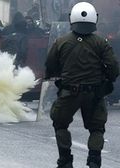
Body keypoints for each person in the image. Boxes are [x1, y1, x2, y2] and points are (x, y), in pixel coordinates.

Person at [45, 2, 119, 168]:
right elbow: (113, 67)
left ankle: (65, 160)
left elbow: (50, 66)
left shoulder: (61, 42)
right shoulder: (101, 43)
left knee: (60, 123)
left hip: (69, 92)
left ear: (72, 19)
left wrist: (58, 78)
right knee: (97, 129)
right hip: (94, 93)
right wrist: (108, 81)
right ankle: (94, 160)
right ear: (94, 19)